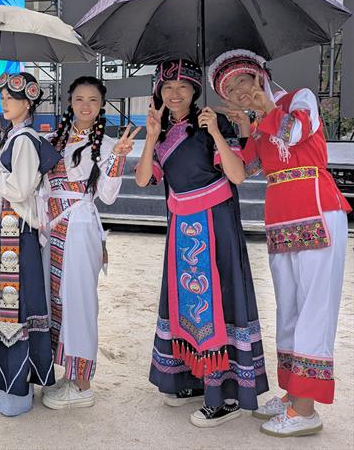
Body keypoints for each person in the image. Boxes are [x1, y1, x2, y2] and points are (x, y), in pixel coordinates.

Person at [209, 49, 351, 437]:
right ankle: (293, 395)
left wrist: (264, 108)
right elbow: (241, 172)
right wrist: (230, 133)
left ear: (260, 76)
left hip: (317, 209)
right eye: (229, 91)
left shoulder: (299, 99)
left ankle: (306, 410)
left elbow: (292, 132)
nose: (239, 93)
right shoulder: (259, 127)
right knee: (288, 308)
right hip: (280, 220)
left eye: (242, 82)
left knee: (313, 309)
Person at [134, 59, 268, 427]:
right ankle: (193, 378)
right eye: (167, 87)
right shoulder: (161, 135)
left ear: (194, 91)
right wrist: (150, 135)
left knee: (218, 304)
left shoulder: (213, 124)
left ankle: (224, 395)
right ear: (158, 93)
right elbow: (145, 179)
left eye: (183, 86)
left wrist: (218, 133)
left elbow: (238, 176)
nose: (175, 93)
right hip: (182, 230)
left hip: (216, 226)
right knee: (189, 305)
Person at [36, 76, 138, 409]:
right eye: (79, 98)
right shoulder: (51, 140)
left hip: (79, 228)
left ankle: (82, 384)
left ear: (101, 105)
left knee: (79, 303)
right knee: (56, 302)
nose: (85, 105)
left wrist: (120, 156)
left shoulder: (107, 145)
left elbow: (107, 196)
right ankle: (64, 374)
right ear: (70, 102)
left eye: (93, 100)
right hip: (50, 230)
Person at [0, 72, 60, 417]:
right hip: (11, 233)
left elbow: (19, 189)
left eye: (10, 97)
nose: (4, 101)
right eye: (3, 96)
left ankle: (11, 384)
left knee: (11, 307)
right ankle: (9, 380)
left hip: (15, 238)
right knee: (9, 306)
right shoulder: (17, 137)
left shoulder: (24, 140)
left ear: (28, 102)